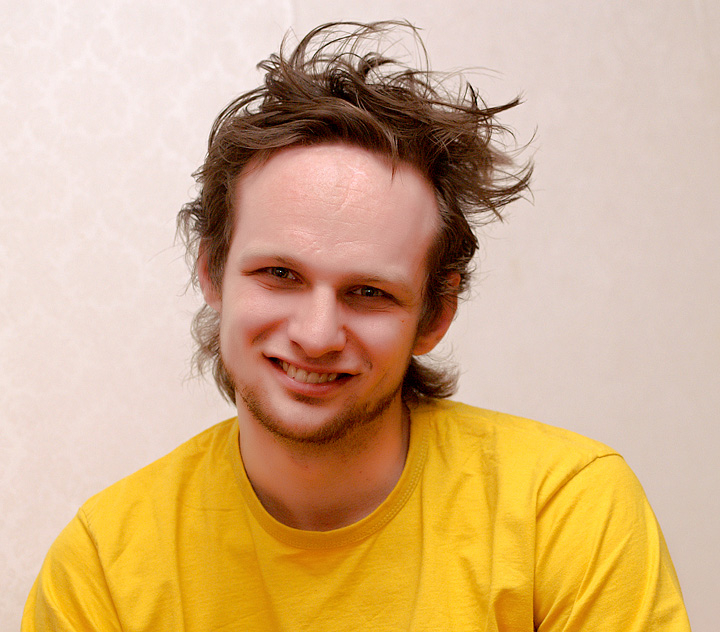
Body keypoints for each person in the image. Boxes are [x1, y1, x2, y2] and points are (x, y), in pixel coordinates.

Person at [22, 21, 691, 631]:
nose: (317, 335)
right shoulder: (105, 566)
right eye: (279, 274)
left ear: (435, 316)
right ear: (212, 272)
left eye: (369, 292)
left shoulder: (566, 511)